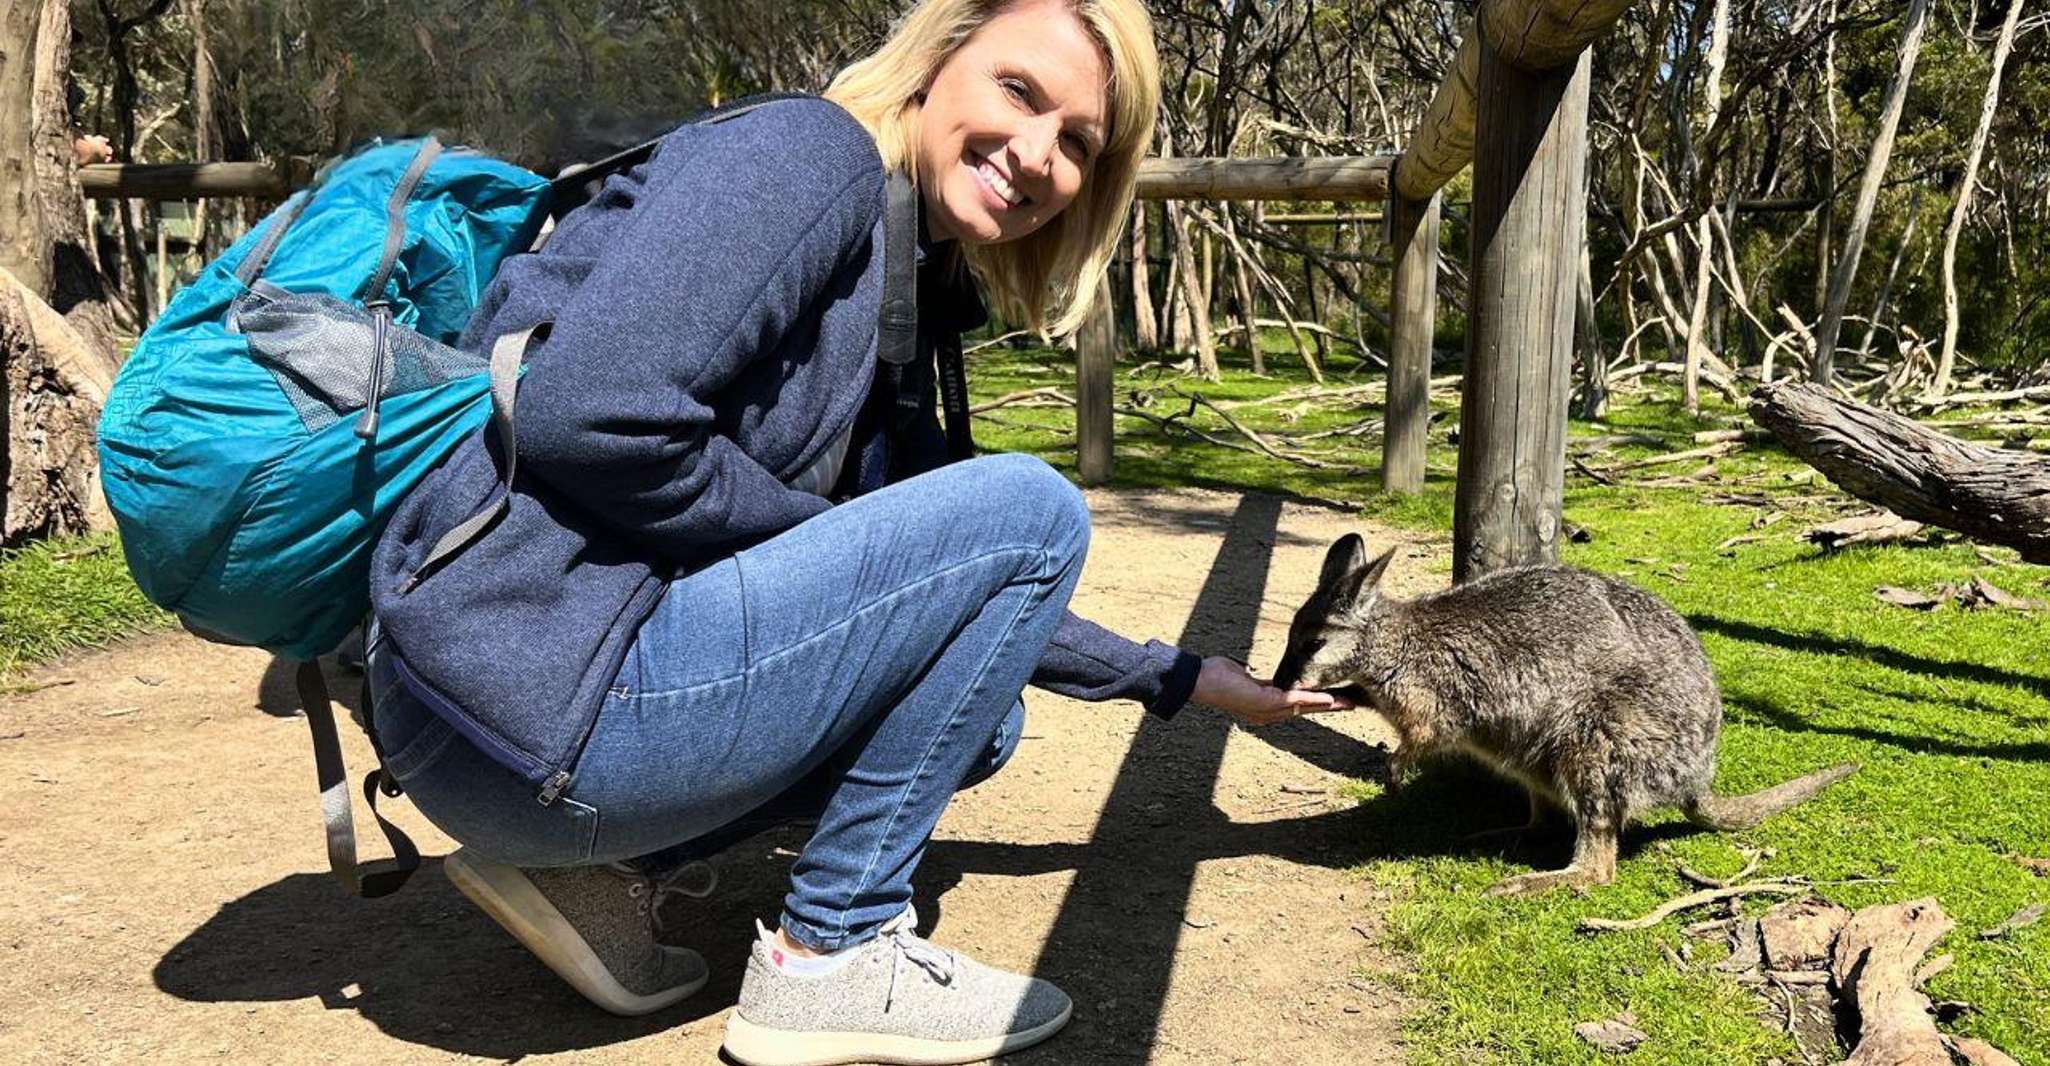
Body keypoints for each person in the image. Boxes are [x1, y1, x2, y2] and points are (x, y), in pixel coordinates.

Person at [364, 1, 1345, 1062]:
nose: (1035, 153)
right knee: (1034, 507)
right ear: (937, 57)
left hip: (509, 732)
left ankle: (592, 871)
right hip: (515, 700)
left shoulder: (908, 279)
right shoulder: (809, 154)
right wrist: (819, 532)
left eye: (1076, 141)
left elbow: (957, 585)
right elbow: (588, 411)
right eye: (1018, 91)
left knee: (983, 719)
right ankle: (831, 956)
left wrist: (1178, 677)